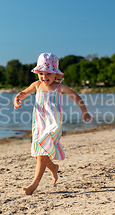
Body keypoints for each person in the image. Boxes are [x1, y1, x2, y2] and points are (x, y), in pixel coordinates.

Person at [14, 53, 94, 195]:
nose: (44, 77)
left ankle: (34, 184)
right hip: (39, 124)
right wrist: (17, 99)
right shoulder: (37, 85)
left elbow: (76, 97)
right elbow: (23, 93)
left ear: (56, 74)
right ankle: (54, 168)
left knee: (41, 155)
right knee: (41, 153)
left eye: (48, 73)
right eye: (41, 73)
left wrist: (84, 111)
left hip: (53, 125)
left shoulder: (60, 87)